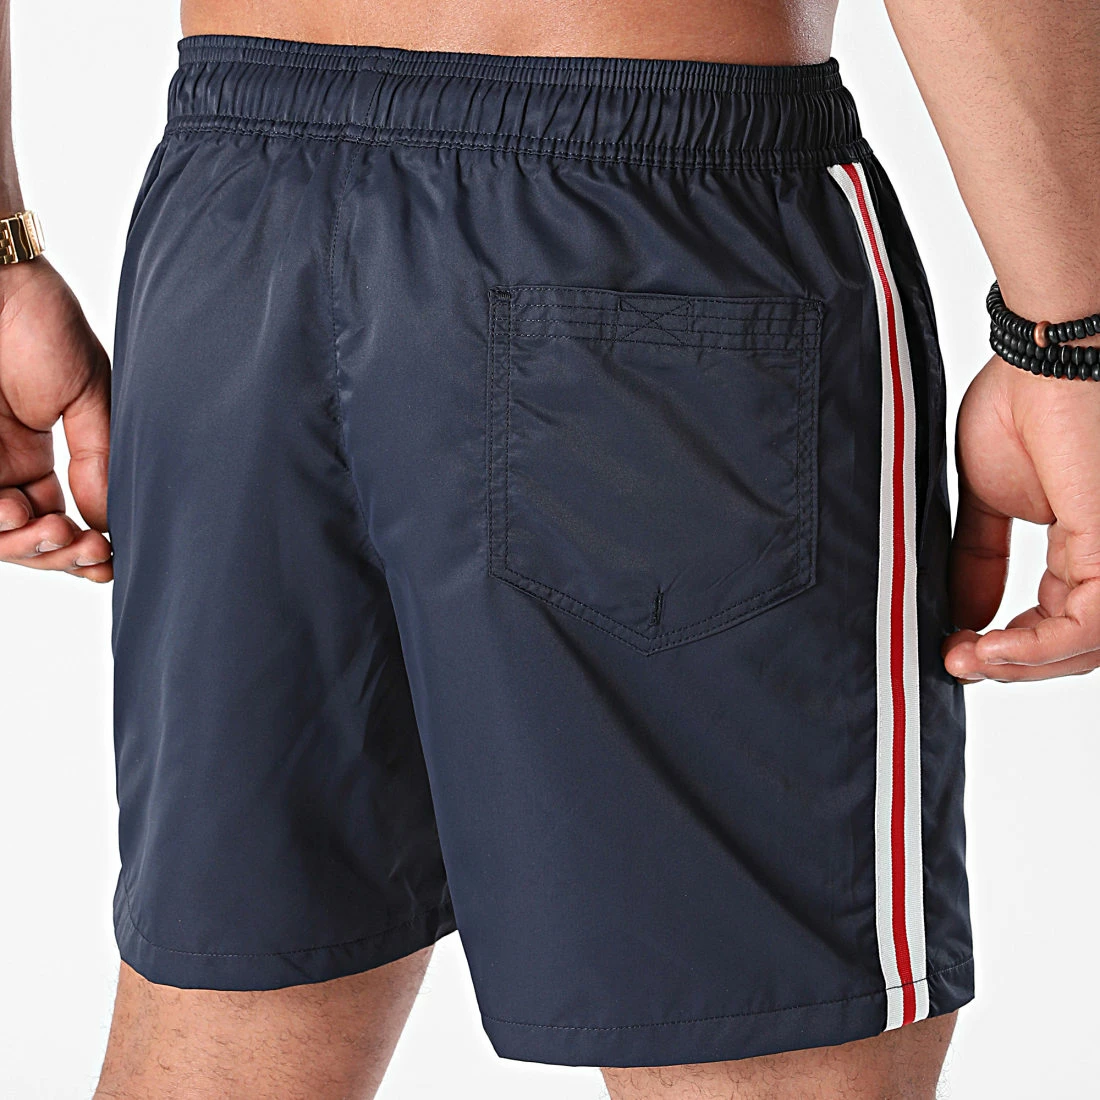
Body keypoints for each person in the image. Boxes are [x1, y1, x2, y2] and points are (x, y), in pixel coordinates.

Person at [0, 0, 1096, 1095]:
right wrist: (1070, 338)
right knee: (764, 1043)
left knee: (222, 1035)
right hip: (646, 234)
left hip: (233, 234)